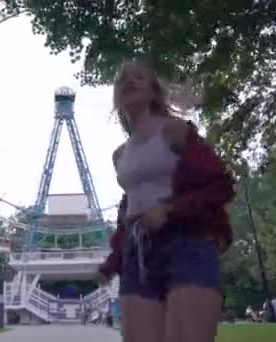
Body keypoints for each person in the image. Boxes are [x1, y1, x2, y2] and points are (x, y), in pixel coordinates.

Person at [97, 58, 235, 342]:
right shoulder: (119, 155)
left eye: (138, 76)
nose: (128, 80)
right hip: (138, 255)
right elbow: (130, 209)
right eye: (122, 78)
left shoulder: (175, 132)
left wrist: (168, 210)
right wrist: (113, 261)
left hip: (187, 245)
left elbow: (220, 184)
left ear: (154, 92)